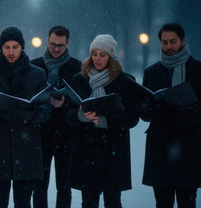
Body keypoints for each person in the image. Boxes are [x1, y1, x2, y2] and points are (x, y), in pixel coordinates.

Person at [0, 27, 52, 208]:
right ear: (1, 48)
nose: (11, 52)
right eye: (7, 47)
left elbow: (46, 110)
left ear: (22, 47)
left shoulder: (37, 74)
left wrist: (31, 115)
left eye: (15, 47)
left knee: (24, 202)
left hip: (27, 150)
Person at [65, 34, 139, 208]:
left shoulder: (125, 81)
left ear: (111, 57)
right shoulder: (79, 79)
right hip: (86, 150)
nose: (97, 58)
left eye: (102, 54)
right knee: (88, 202)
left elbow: (132, 117)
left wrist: (106, 121)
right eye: (94, 54)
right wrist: (80, 116)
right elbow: (67, 114)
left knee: (113, 201)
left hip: (114, 151)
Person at [140, 23, 201, 208]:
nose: (168, 46)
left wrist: (186, 111)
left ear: (183, 41)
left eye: (173, 41)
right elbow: (144, 111)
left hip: (189, 146)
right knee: (162, 202)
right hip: (160, 147)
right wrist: (155, 107)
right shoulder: (152, 72)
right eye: (164, 42)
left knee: (187, 201)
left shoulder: (198, 70)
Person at [30, 26, 81, 208]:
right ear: (47, 40)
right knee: (39, 186)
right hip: (40, 134)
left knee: (64, 187)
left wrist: (64, 104)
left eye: (60, 45)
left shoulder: (78, 68)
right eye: (52, 44)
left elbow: (81, 102)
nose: (56, 49)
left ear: (67, 43)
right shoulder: (35, 66)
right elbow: (29, 99)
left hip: (67, 134)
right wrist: (44, 103)